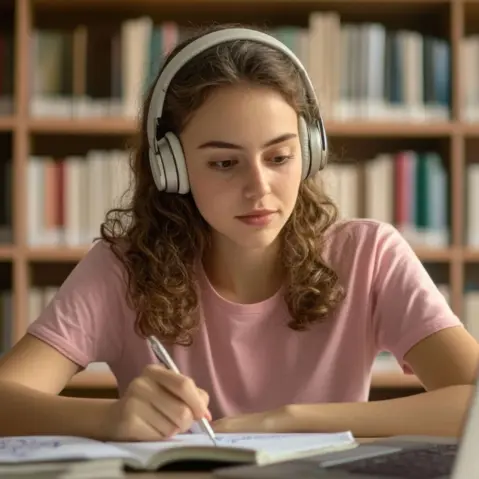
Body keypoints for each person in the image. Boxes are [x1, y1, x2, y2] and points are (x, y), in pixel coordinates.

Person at [0, 24, 477, 443]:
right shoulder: (123, 268)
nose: (259, 189)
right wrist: (110, 418)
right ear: (173, 169)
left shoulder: (370, 255)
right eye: (225, 163)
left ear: (308, 152)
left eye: (279, 157)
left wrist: (291, 420)